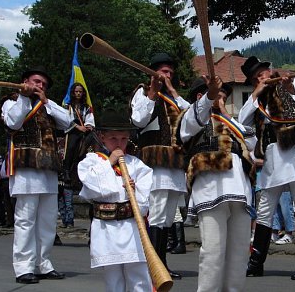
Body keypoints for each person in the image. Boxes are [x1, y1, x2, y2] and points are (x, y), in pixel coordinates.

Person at [238, 56, 295, 280]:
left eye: (264, 72)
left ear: (269, 70)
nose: (263, 77)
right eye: (257, 77)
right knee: (265, 210)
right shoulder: (257, 99)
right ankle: (256, 263)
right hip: (274, 155)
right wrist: (256, 92)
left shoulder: (288, 81)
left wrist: (290, 85)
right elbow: (242, 121)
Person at [177, 75, 256, 292]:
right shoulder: (190, 119)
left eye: (222, 97)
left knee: (239, 252)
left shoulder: (232, 124)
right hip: (210, 192)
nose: (220, 101)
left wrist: (227, 117)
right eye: (215, 96)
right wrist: (209, 98)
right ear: (200, 97)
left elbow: (252, 144)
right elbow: (194, 120)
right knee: (213, 251)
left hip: (240, 193)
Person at [1, 66, 71, 284]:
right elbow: (13, 122)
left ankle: (43, 263)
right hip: (26, 168)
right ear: (25, 81)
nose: (40, 86)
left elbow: (68, 122)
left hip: (48, 169)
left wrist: (47, 101)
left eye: (43, 84)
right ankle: (23, 267)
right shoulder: (11, 102)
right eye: (36, 81)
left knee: (48, 221)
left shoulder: (47, 106)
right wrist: (24, 97)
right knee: (25, 220)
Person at [77, 109, 153, 292]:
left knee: (139, 275)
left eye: (123, 139)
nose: (119, 144)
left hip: (132, 228)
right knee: (113, 279)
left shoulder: (136, 164)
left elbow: (145, 199)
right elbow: (92, 187)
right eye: (113, 139)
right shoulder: (92, 161)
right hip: (106, 229)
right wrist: (109, 162)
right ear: (102, 137)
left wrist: (134, 192)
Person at [129, 52, 189, 279]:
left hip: (174, 164)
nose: (169, 75)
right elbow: (138, 120)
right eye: (164, 72)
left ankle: (161, 263)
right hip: (153, 164)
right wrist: (153, 93)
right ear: (154, 72)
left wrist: (172, 91)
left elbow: (190, 115)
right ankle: (152, 265)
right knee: (155, 215)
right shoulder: (143, 92)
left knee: (166, 218)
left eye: (171, 72)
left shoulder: (174, 98)